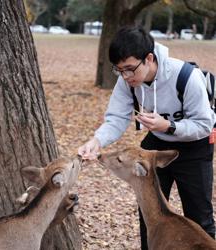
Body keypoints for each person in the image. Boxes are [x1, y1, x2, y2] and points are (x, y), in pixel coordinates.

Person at [78, 26, 215, 249]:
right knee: (150, 215)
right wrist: (96, 142)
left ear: (149, 58)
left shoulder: (186, 77)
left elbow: (204, 125)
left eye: (130, 69)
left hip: (194, 146)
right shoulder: (127, 81)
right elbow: (116, 118)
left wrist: (168, 125)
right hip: (155, 146)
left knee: (200, 218)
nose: (125, 76)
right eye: (119, 70)